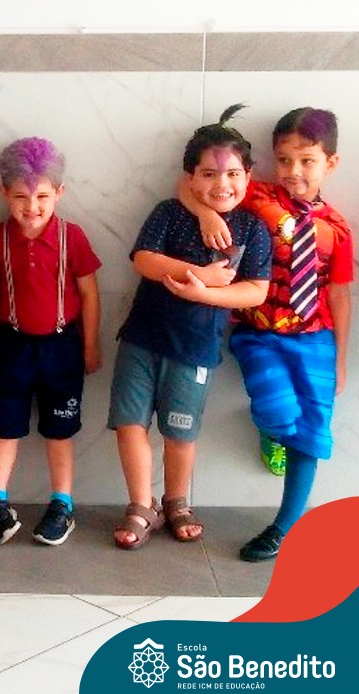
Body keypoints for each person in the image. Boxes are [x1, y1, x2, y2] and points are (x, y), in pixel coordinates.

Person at [188, 107, 351, 562]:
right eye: (284, 160)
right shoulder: (256, 195)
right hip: (259, 332)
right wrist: (205, 214)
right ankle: (272, 431)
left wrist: (339, 358)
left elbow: (340, 295)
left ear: (330, 163)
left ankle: (284, 527)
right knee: (279, 414)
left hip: (316, 337)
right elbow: (191, 185)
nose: (294, 171)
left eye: (307, 160)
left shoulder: (337, 229)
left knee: (312, 432)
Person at [108, 104, 271, 550]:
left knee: (180, 432)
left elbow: (255, 291)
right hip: (141, 339)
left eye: (233, 174)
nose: (222, 184)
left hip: (196, 349)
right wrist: (197, 273)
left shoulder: (253, 229)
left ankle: (176, 502)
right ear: (191, 179)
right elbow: (144, 260)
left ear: (248, 176)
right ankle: (141, 505)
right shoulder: (169, 212)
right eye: (209, 174)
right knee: (130, 423)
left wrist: (204, 293)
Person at [0, 138, 101, 547]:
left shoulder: (72, 237)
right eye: (21, 197)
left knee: (59, 430)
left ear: (59, 192)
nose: (32, 207)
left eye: (42, 197)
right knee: (5, 426)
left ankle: (62, 504)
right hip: (12, 345)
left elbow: (89, 293)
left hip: (62, 348)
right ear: (3, 193)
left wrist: (90, 345)